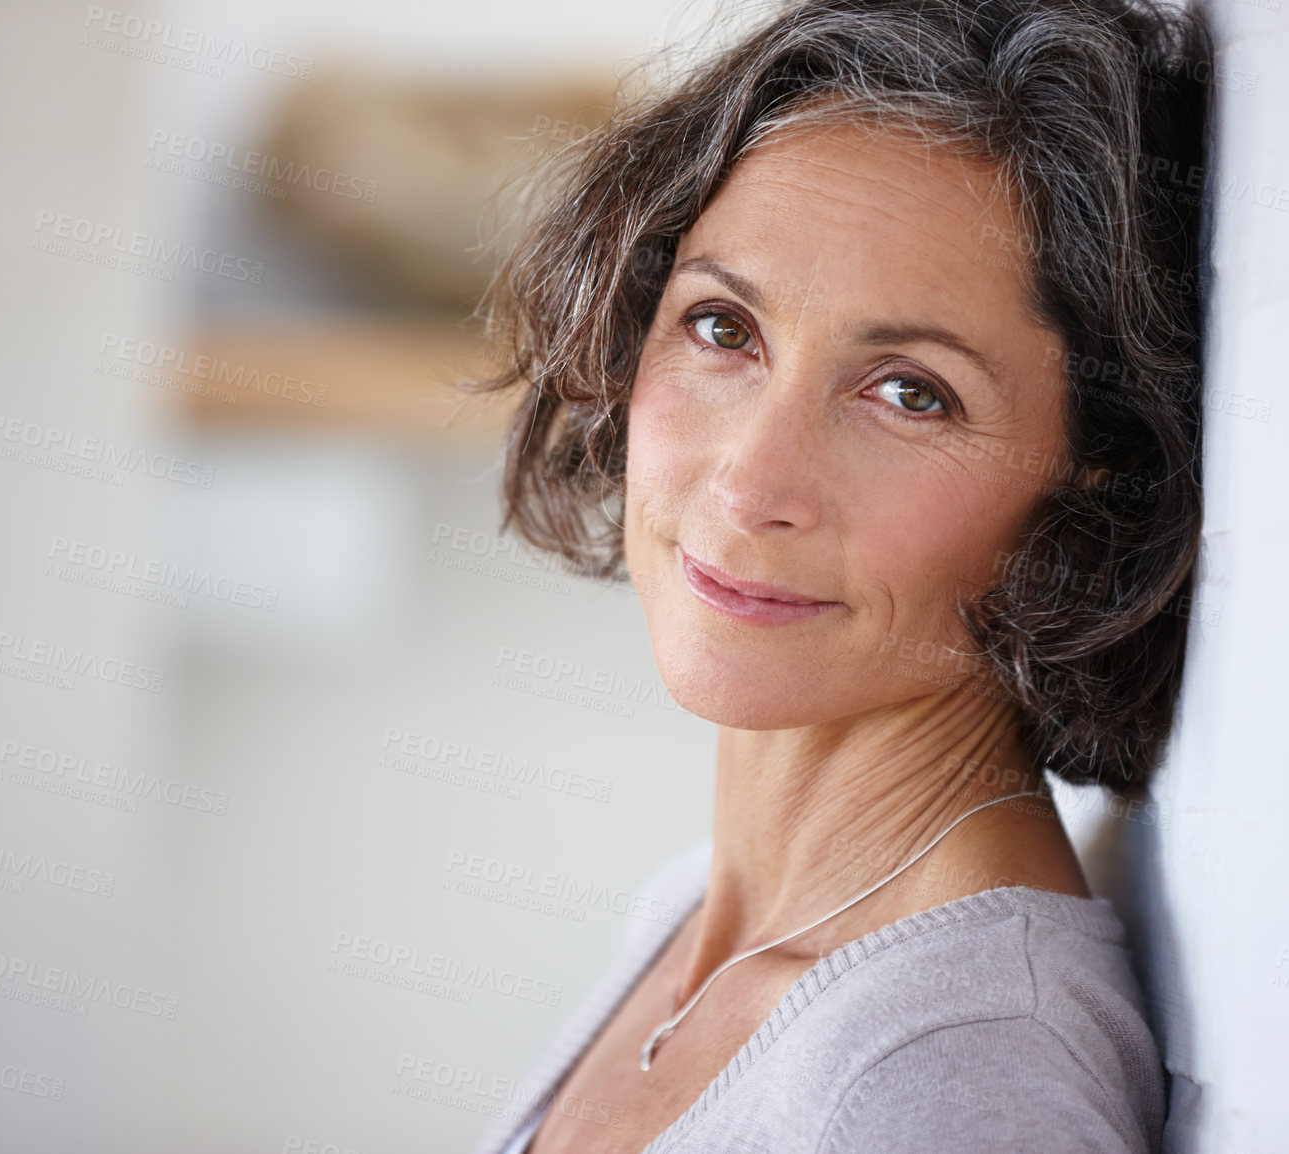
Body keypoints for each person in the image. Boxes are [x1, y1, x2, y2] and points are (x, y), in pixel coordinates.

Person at [460, 0, 1210, 1150]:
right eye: (722, 327)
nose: (751, 483)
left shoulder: (952, 1071)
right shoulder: (702, 916)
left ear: (1093, 487)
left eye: (911, 392)